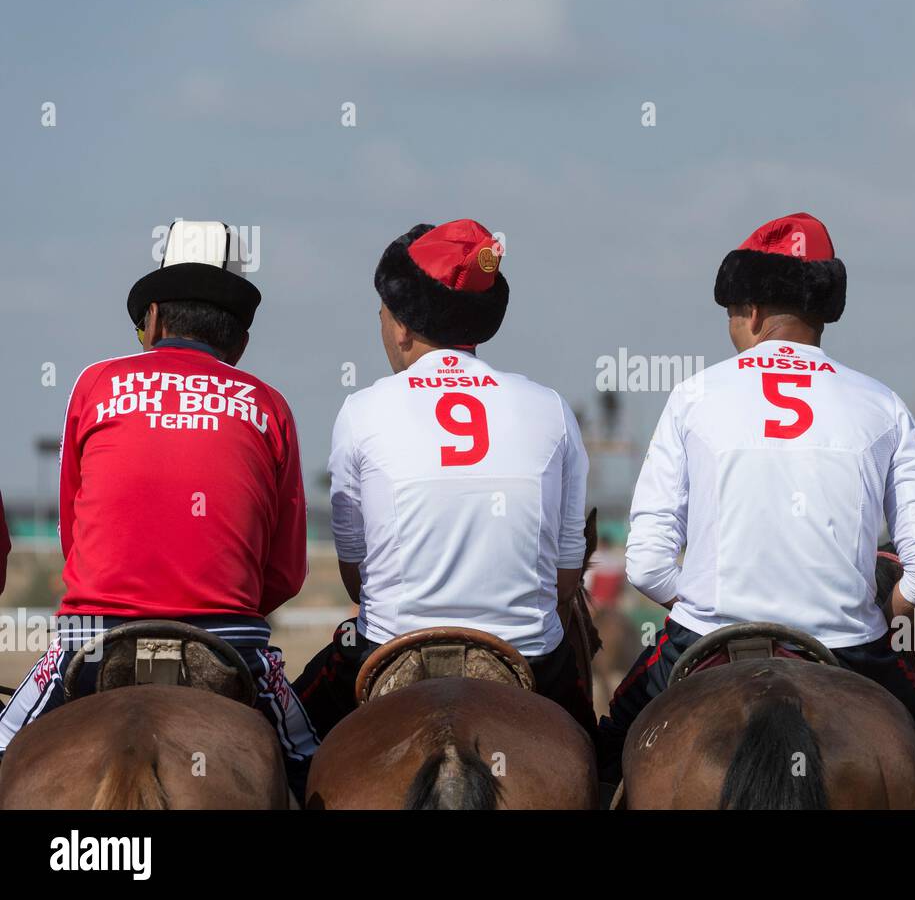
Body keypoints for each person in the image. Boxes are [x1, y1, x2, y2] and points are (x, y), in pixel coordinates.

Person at [597, 213, 915, 806]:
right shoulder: (883, 405)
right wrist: (876, 610)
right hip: (849, 646)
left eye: (732, 313)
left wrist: (705, 603)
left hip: (707, 633)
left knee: (605, 752)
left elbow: (646, 567)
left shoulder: (693, 396)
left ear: (756, 314)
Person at [0, 220, 319, 797]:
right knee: (317, 776)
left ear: (150, 321)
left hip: (91, 638)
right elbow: (285, 574)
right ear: (240, 342)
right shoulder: (270, 405)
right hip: (230, 641)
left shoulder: (95, 384)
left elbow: (75, 536)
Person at [292, 220, 596, 741]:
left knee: (285, 747)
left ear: (404, 326)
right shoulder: (550, 407)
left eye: (383, 317)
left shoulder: (361, 410)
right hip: (531, 659)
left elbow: (355, 578)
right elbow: (566, 583)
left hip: (388, 651)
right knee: (606, 763)